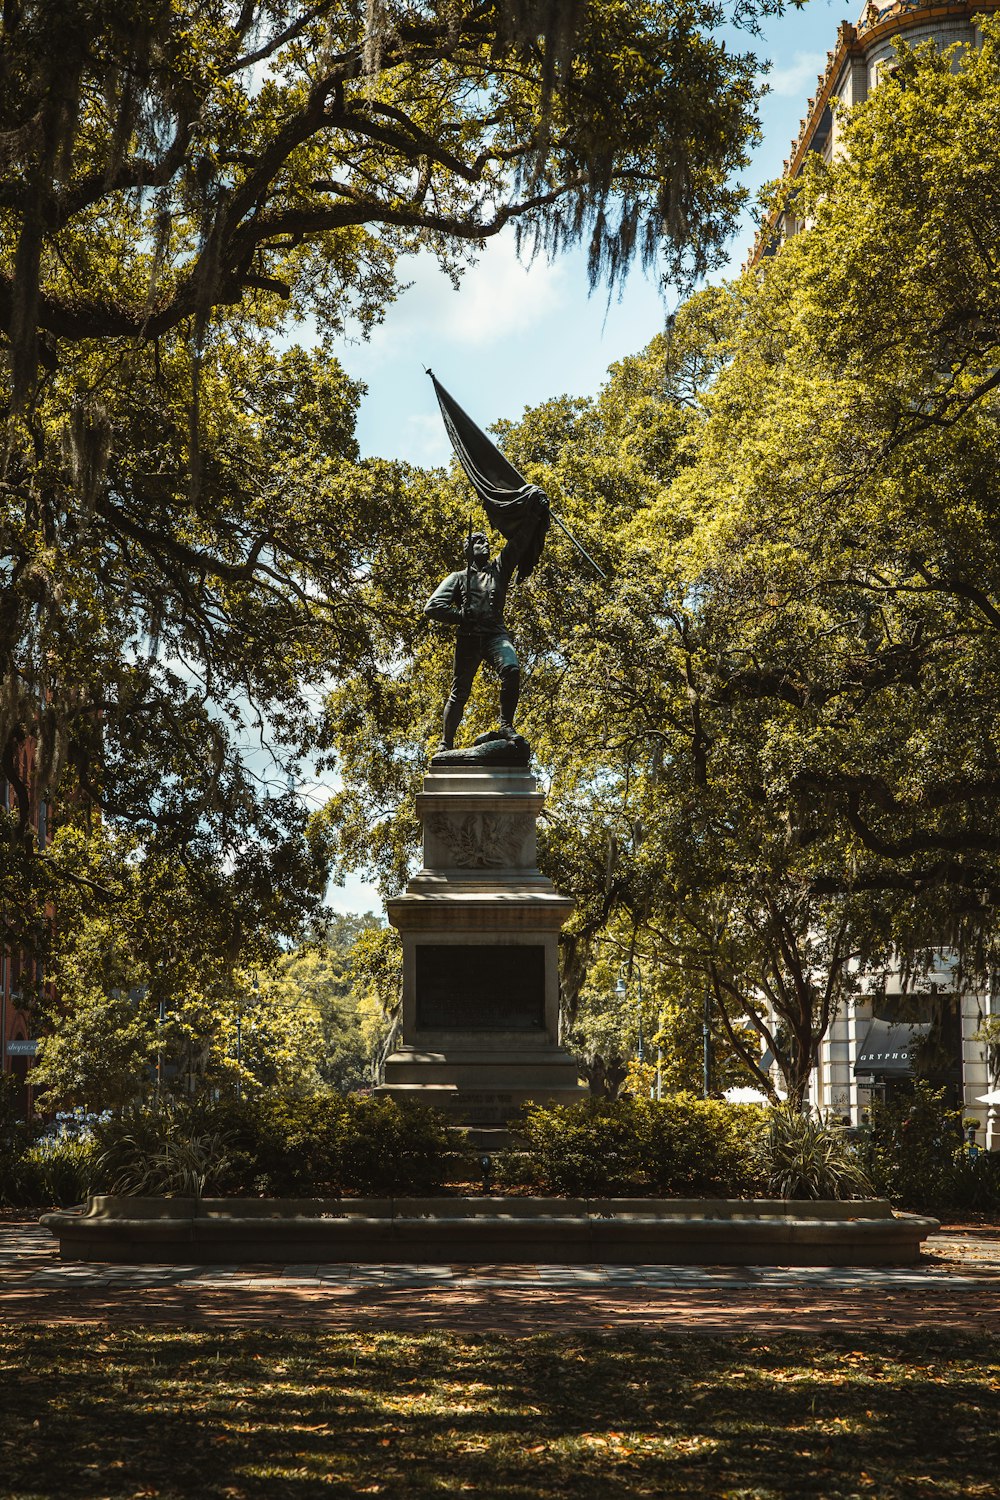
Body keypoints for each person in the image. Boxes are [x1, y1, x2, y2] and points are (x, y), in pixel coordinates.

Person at [423, 499, 548, 751]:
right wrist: (459, 615)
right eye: (479, 542)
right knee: (459, 692)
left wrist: (535, 514)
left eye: (486, 541)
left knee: (511, 670)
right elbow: (432, 607)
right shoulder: (458, 578)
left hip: (495, 634)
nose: (486, 544)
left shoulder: (499, 569)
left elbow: (519, 542)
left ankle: (506, 725)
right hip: (469, 637)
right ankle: (445, 743)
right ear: (469, 549)